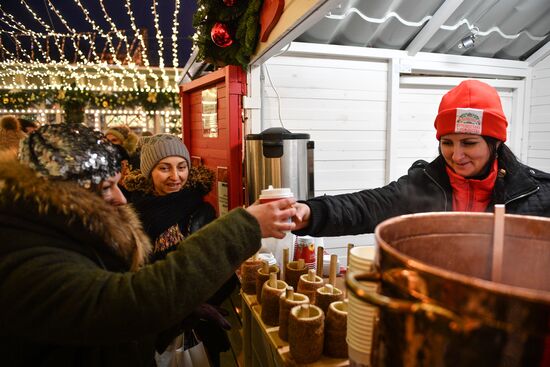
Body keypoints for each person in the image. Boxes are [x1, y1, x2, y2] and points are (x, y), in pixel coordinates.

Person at [0, 123, 296, 366]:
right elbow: (128, 302)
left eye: (182, 167)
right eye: (105, 187)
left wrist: (184, 310)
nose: (119, 198)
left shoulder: (59, 229)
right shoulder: (25, 255)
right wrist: (245, 226)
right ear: (62, 193)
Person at [292, 80, 550, 238]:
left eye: (469, 143)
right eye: (446, 143)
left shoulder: (537, 194)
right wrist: (310, 212)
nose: (456, 156)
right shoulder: (424, 185)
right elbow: (365, 206)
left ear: (495, 143)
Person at [122, 134, 235, 366]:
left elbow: (218, 269)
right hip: (154, 329)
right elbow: (132, 279)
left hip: (200, 328)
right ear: (148, 171)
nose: (175, 176)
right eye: (164, 168)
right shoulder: (132, 216)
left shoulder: (201, 210)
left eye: (182, 167)